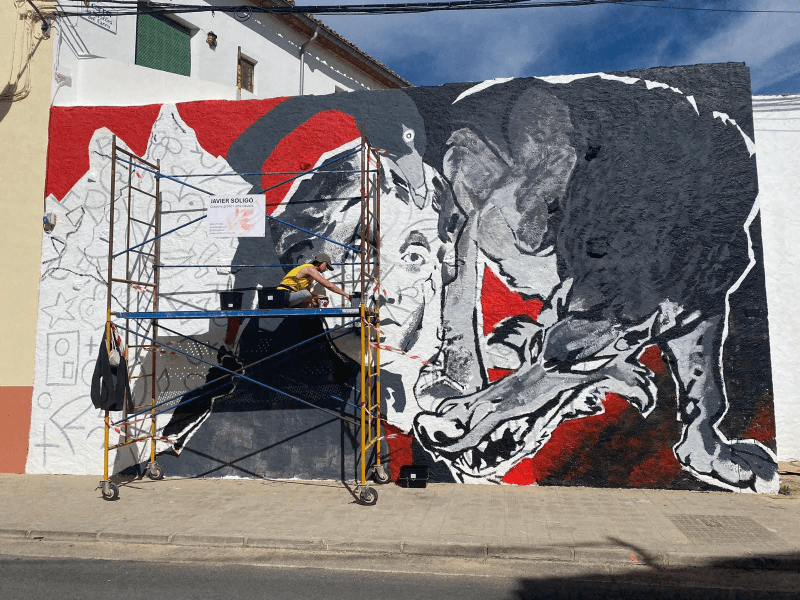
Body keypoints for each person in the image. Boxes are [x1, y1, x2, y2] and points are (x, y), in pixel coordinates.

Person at [277, 252, 351, 307]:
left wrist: (318, 297)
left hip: (291, 296)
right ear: (320, 261)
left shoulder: (309, 278)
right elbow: (328, 285)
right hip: (282, 295)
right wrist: (346, 295)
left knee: (314, 303)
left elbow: (307, 294)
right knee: (306, 294)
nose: (326, 269)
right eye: (326, 266)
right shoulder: (309, 269)